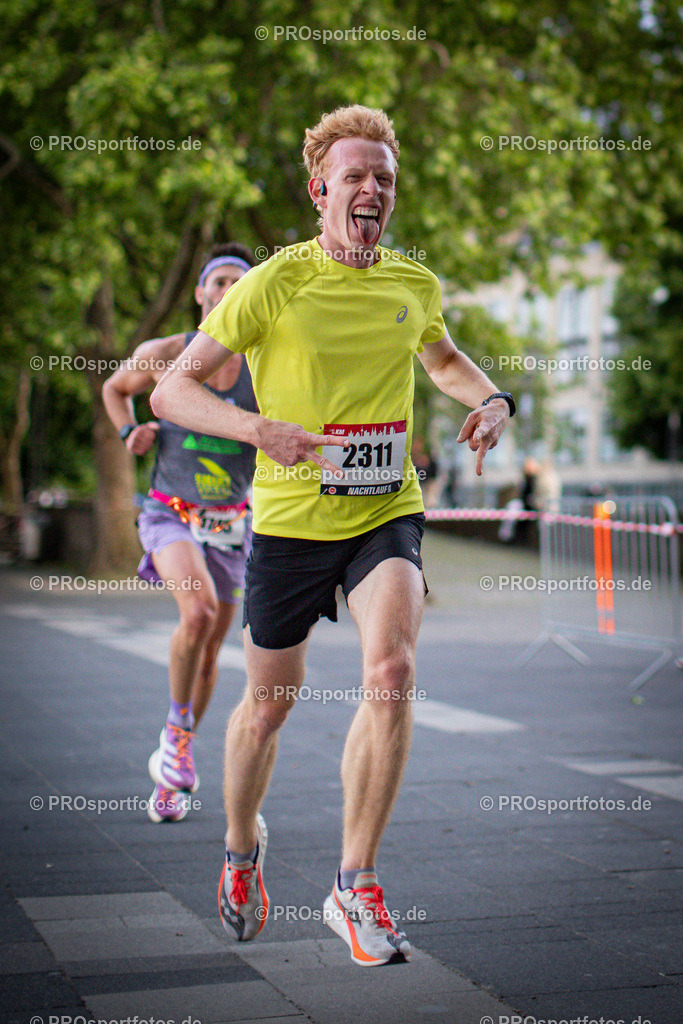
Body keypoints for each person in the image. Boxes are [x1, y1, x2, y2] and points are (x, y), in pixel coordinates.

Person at [150, 106, 514, 965]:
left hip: (386, 507)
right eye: (354, 175)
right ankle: (240, 850)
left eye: (383, 177)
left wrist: (491, 399)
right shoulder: (273, 282)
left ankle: (353, 885)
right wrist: (256, 432)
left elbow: (442, 356)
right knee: (266, 706)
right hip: (286, 521)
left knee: (391, 671)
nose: (371, 188)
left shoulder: (411, 283)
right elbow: (171, 391)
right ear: (320, 189)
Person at [102, 243, 258, 823]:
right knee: (195, 617)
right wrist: (128, 433)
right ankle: (173, 733)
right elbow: (114, 389)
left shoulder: (266, 371)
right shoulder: (168, 353)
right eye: (217, 282)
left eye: (238, 283)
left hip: (230, 524)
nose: (226, 291)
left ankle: (176, 756)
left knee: (210, 653)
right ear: (200, 294)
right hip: (170, 512)